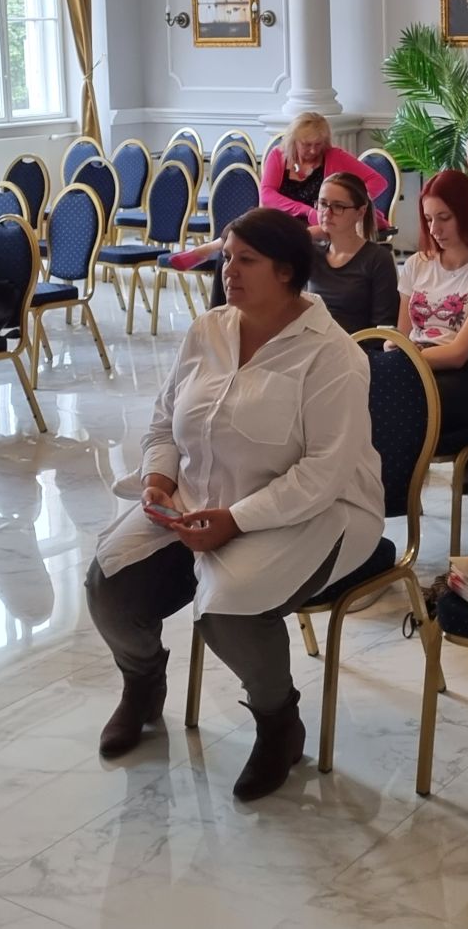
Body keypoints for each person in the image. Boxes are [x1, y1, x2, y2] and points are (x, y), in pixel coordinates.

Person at [84, 206, 383, 801]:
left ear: (287, 271)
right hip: (201, 495)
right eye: (226, 258)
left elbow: (323, 473)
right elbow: (165, 422)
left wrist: (236, 520)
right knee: (107, 582)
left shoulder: (332, 355)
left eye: (246, 260)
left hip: (317, 511)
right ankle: (142, 685)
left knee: (229, 609)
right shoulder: (209, 330)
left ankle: (279, 722)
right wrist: (159, 478)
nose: (229, 271)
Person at [396, 170, 468, 453]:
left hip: (459, 375)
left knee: (393, 407)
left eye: (444, 218)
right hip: (414, 362)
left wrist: (403, 359)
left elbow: (458, 353)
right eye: (428, 219)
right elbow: (402, 334)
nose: (434, 229)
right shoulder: (416, 264)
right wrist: (397, 353)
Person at [305, 172, 398, 335]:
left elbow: (383, 328)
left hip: (355, 345)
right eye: (323, 204)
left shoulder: (377, 259)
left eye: (338, 207)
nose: (326, 213)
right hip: (311, 341)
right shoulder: (313, 253)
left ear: (360, 212)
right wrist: (305, 235)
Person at [259, 111, 384, 228]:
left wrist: (350, 202)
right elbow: (267, 194)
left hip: (328, 225)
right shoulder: (278, 155)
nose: (313, 150)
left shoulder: (335, 156)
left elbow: (377, 181)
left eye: (318, 144)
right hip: (283, 222)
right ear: (294, 141)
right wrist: (306, 211)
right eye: (307, 145)